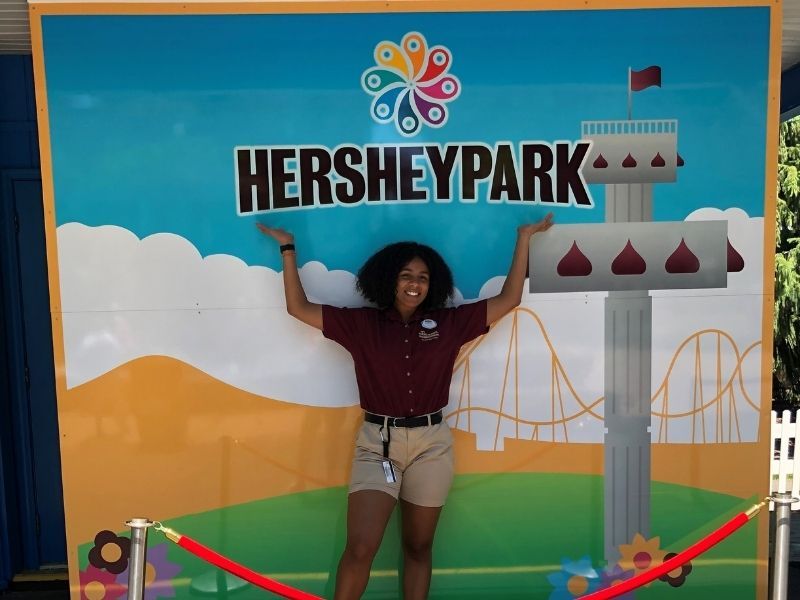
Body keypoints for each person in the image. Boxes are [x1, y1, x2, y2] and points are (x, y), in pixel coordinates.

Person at [256, 214, 553, 600]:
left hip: (432, 445)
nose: (415, 284)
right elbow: (299, 308)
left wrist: (524, 238)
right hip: (377, 444)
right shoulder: (362, 325)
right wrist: (288, 247)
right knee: (361, 547)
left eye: (423, 277)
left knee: (418, 547)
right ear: (388, 279)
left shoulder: (449, 323)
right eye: (406, 275)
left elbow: (509, 300)